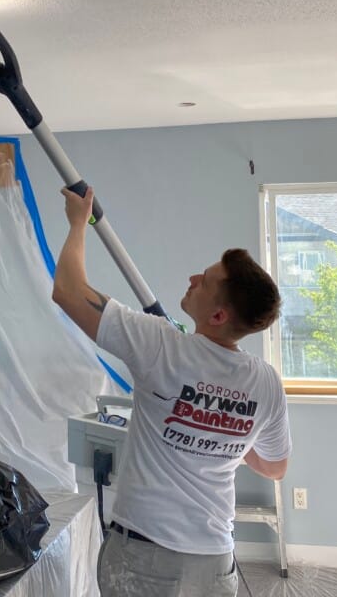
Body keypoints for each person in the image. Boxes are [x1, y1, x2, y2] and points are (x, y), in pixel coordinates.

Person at [52, 186, 291, 597]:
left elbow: (68, 292)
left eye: (205, 280)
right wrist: (227, 435)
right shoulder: (265, 382)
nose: (193, 278)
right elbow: (276, 467)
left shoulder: (160, 346)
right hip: (214, 563)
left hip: (142, 559)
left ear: (218, 315)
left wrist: (78, 223)